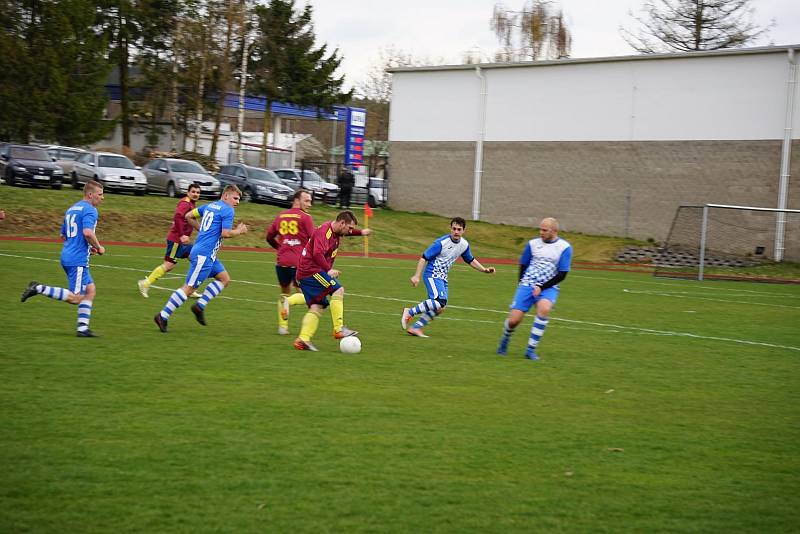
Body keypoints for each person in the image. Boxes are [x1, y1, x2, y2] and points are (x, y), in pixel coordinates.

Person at [154, 184, 248, 333]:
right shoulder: (227, 210)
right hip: (204, 255)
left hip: (206, 253)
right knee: (189, 289)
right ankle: (162, 316)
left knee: (224, 279)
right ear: (225, 196)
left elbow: (188, 216)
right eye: (235, 198)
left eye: (239, 199)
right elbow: (225, 233)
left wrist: (203, 230)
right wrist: (239, 231)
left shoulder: (210, 206)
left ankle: (199, 306)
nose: (237, 202)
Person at [20, 180, 106, 337]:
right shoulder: (90, 210)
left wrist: (85, 247)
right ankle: (38, 288)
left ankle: (82, 329)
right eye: (100, 194)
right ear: (90, 194)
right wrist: (99, 247)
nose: (103, 198)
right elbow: (87, 233)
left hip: (67, 255)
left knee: (90, 290)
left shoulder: (72, 209)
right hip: (77, 260)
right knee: (76, 298)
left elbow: (63, 235)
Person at [401, 217, 495, 337]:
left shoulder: (464, 245)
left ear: (463, 231)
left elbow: (470, 260)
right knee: (440, 301)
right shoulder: (441, 243)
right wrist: (417, 276)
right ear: (450, 229)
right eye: (454, 229)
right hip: (432, 274)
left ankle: (416, 328)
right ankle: (409, 312)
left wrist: (484, 270)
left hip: (443, 277)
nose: (456, 232)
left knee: (440, 308)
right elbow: (424, 257)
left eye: (459, 229)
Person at [293, 210, 372, 351]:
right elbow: (317, 253)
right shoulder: (325, 232)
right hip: (311, 271)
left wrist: (361, 233)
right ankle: (338, 329)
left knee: (317, 307)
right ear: (342, 223)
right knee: (338, 290)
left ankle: (302, 339)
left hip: (308, 272)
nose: (350, 231)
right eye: (350, 228)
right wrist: (328, 270)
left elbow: (349, 232)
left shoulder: (336, 231)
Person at [496, 217, 572, 360]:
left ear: (554, 231)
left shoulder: (564, 247)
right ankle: (505, 339)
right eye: (540, 229)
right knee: (514, 321)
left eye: (544, 230)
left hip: (548, 286)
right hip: (527, 284)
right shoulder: (532, 244)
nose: (541, 232)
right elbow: (523, 265)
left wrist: (541, 287)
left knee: (544, 309)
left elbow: (562, 274)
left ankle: (530, 350)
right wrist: (523, 283)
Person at [138, 182, 203, 299]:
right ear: (188, 192)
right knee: (169, 265)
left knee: (197, 259)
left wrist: (202, 231)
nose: (195, 194)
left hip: (183, 242)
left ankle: (190, 289)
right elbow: (177, 217)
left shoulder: (192, 205)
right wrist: (182, 235)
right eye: (193, 192)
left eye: (198, 192)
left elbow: (192, 220)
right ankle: (145, 283)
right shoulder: (185, 203)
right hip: (176, 240)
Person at [265, 189, 315, 335]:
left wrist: (279, 248)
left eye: (310, 201)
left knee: (285, 292)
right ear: (297, 200)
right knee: (308, 296)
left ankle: (283, 327)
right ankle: (308, 328)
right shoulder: (306, 217)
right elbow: (314, 240)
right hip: (299, 263)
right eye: (306, 200)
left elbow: (269, 237)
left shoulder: (280, 215)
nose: (309, 204)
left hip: (282, 262)